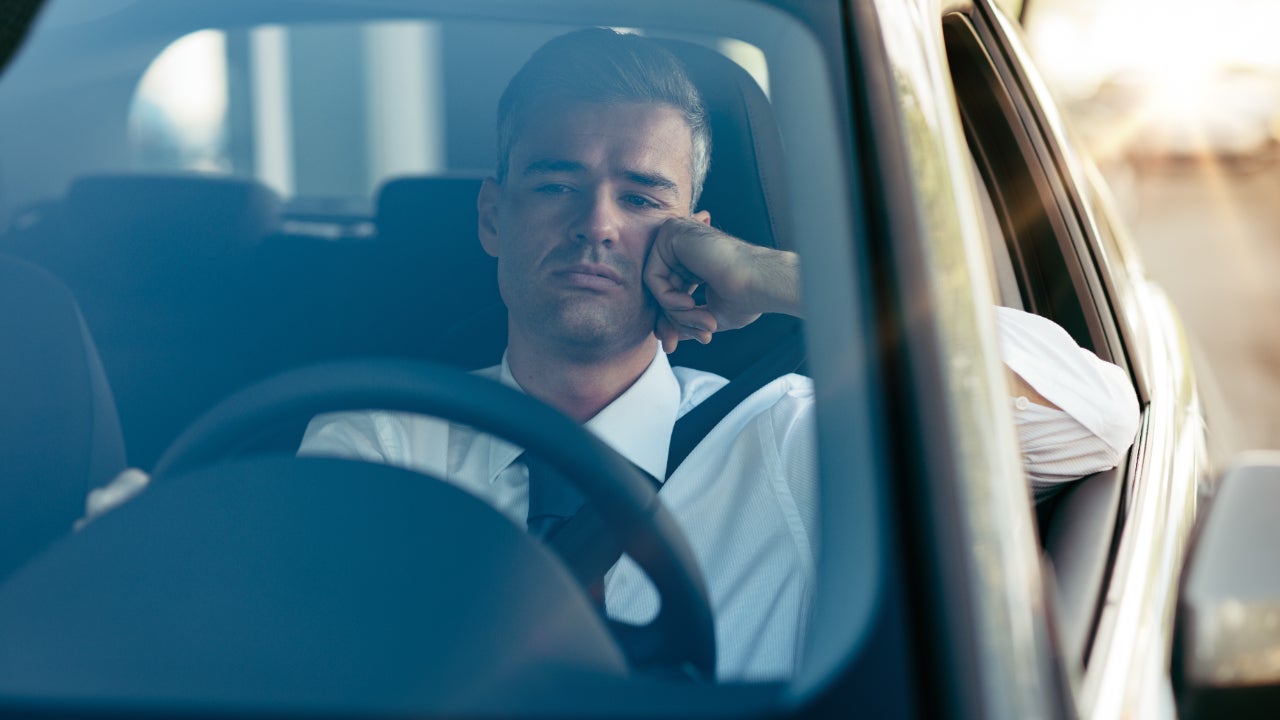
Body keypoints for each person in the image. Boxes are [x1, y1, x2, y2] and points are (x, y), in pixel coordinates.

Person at [298, 28, 1139, 681]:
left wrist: (772, 276)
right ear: (492, 217)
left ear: (694, 233)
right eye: (554, 185)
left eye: (640, 196)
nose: (596, 222)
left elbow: (1092, 421)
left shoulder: (793, 438)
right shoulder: (384, 442)